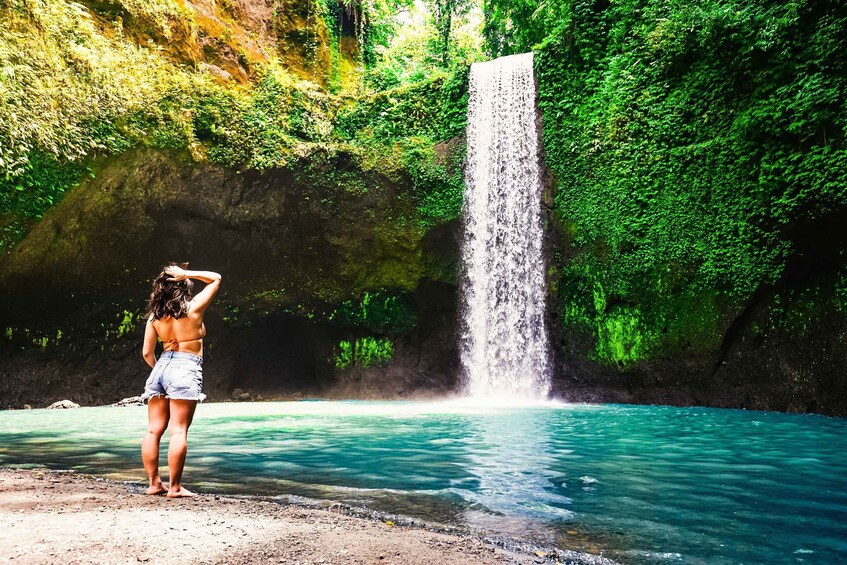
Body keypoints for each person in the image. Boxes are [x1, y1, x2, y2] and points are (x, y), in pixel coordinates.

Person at [140, 263, 221, 498]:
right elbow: (216, 277)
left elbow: (147, 353)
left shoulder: (155, 317)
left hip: (161, 367)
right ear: (184, 288)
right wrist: (187, 273)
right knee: (178, 431)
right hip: (185, 367)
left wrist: (163, 371)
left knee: (154, 430)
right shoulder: (193, 308)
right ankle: (174, 488)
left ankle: (154, 483)